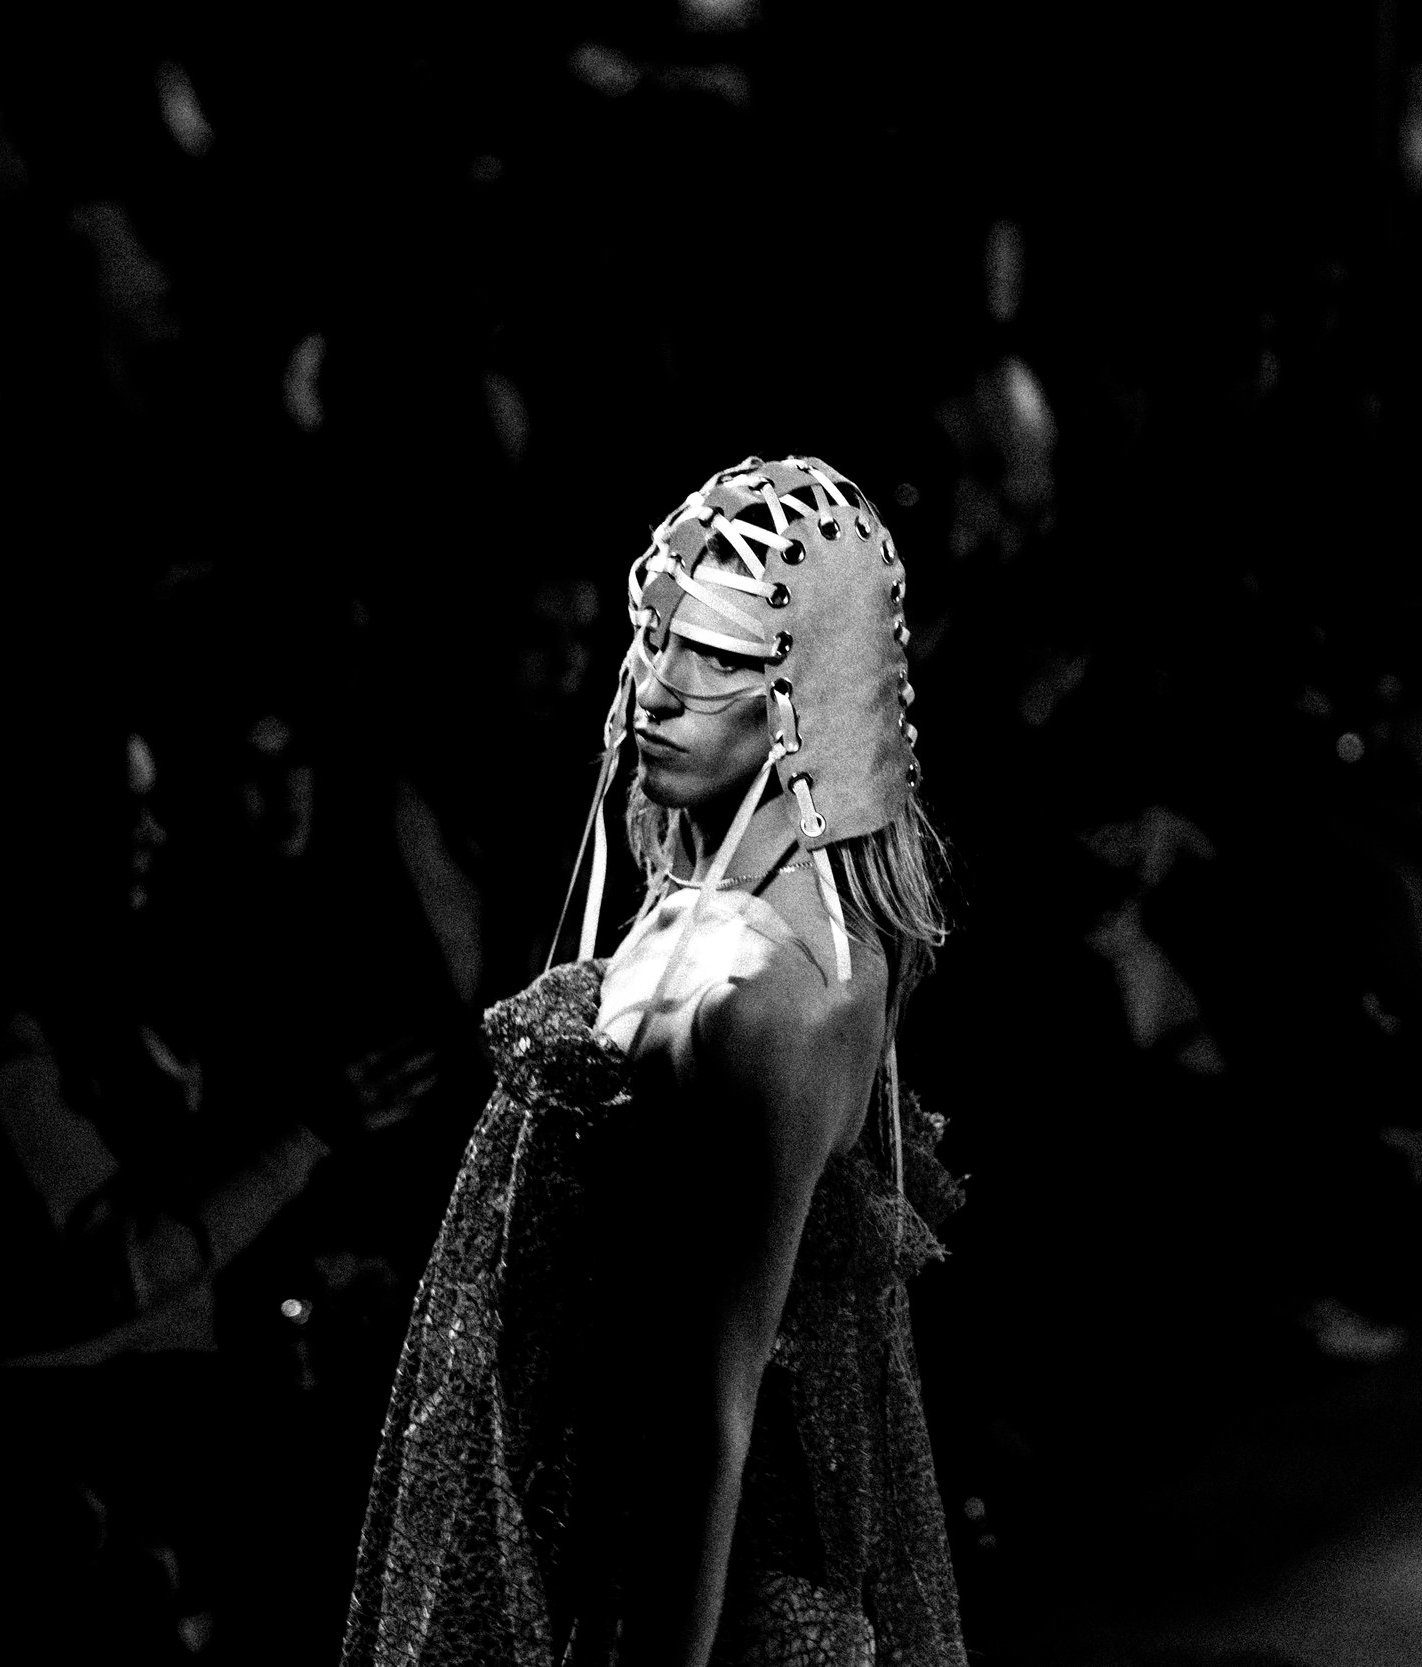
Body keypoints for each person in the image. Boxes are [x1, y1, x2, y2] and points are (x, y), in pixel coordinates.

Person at [342, 456, 967, 1665]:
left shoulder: (763, 992)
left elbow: (714, 1396)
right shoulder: (743, 915)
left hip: (683, 1590)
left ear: (814, 689)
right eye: (657, 638)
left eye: (724, 657)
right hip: (610, 1530)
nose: (655, 691)